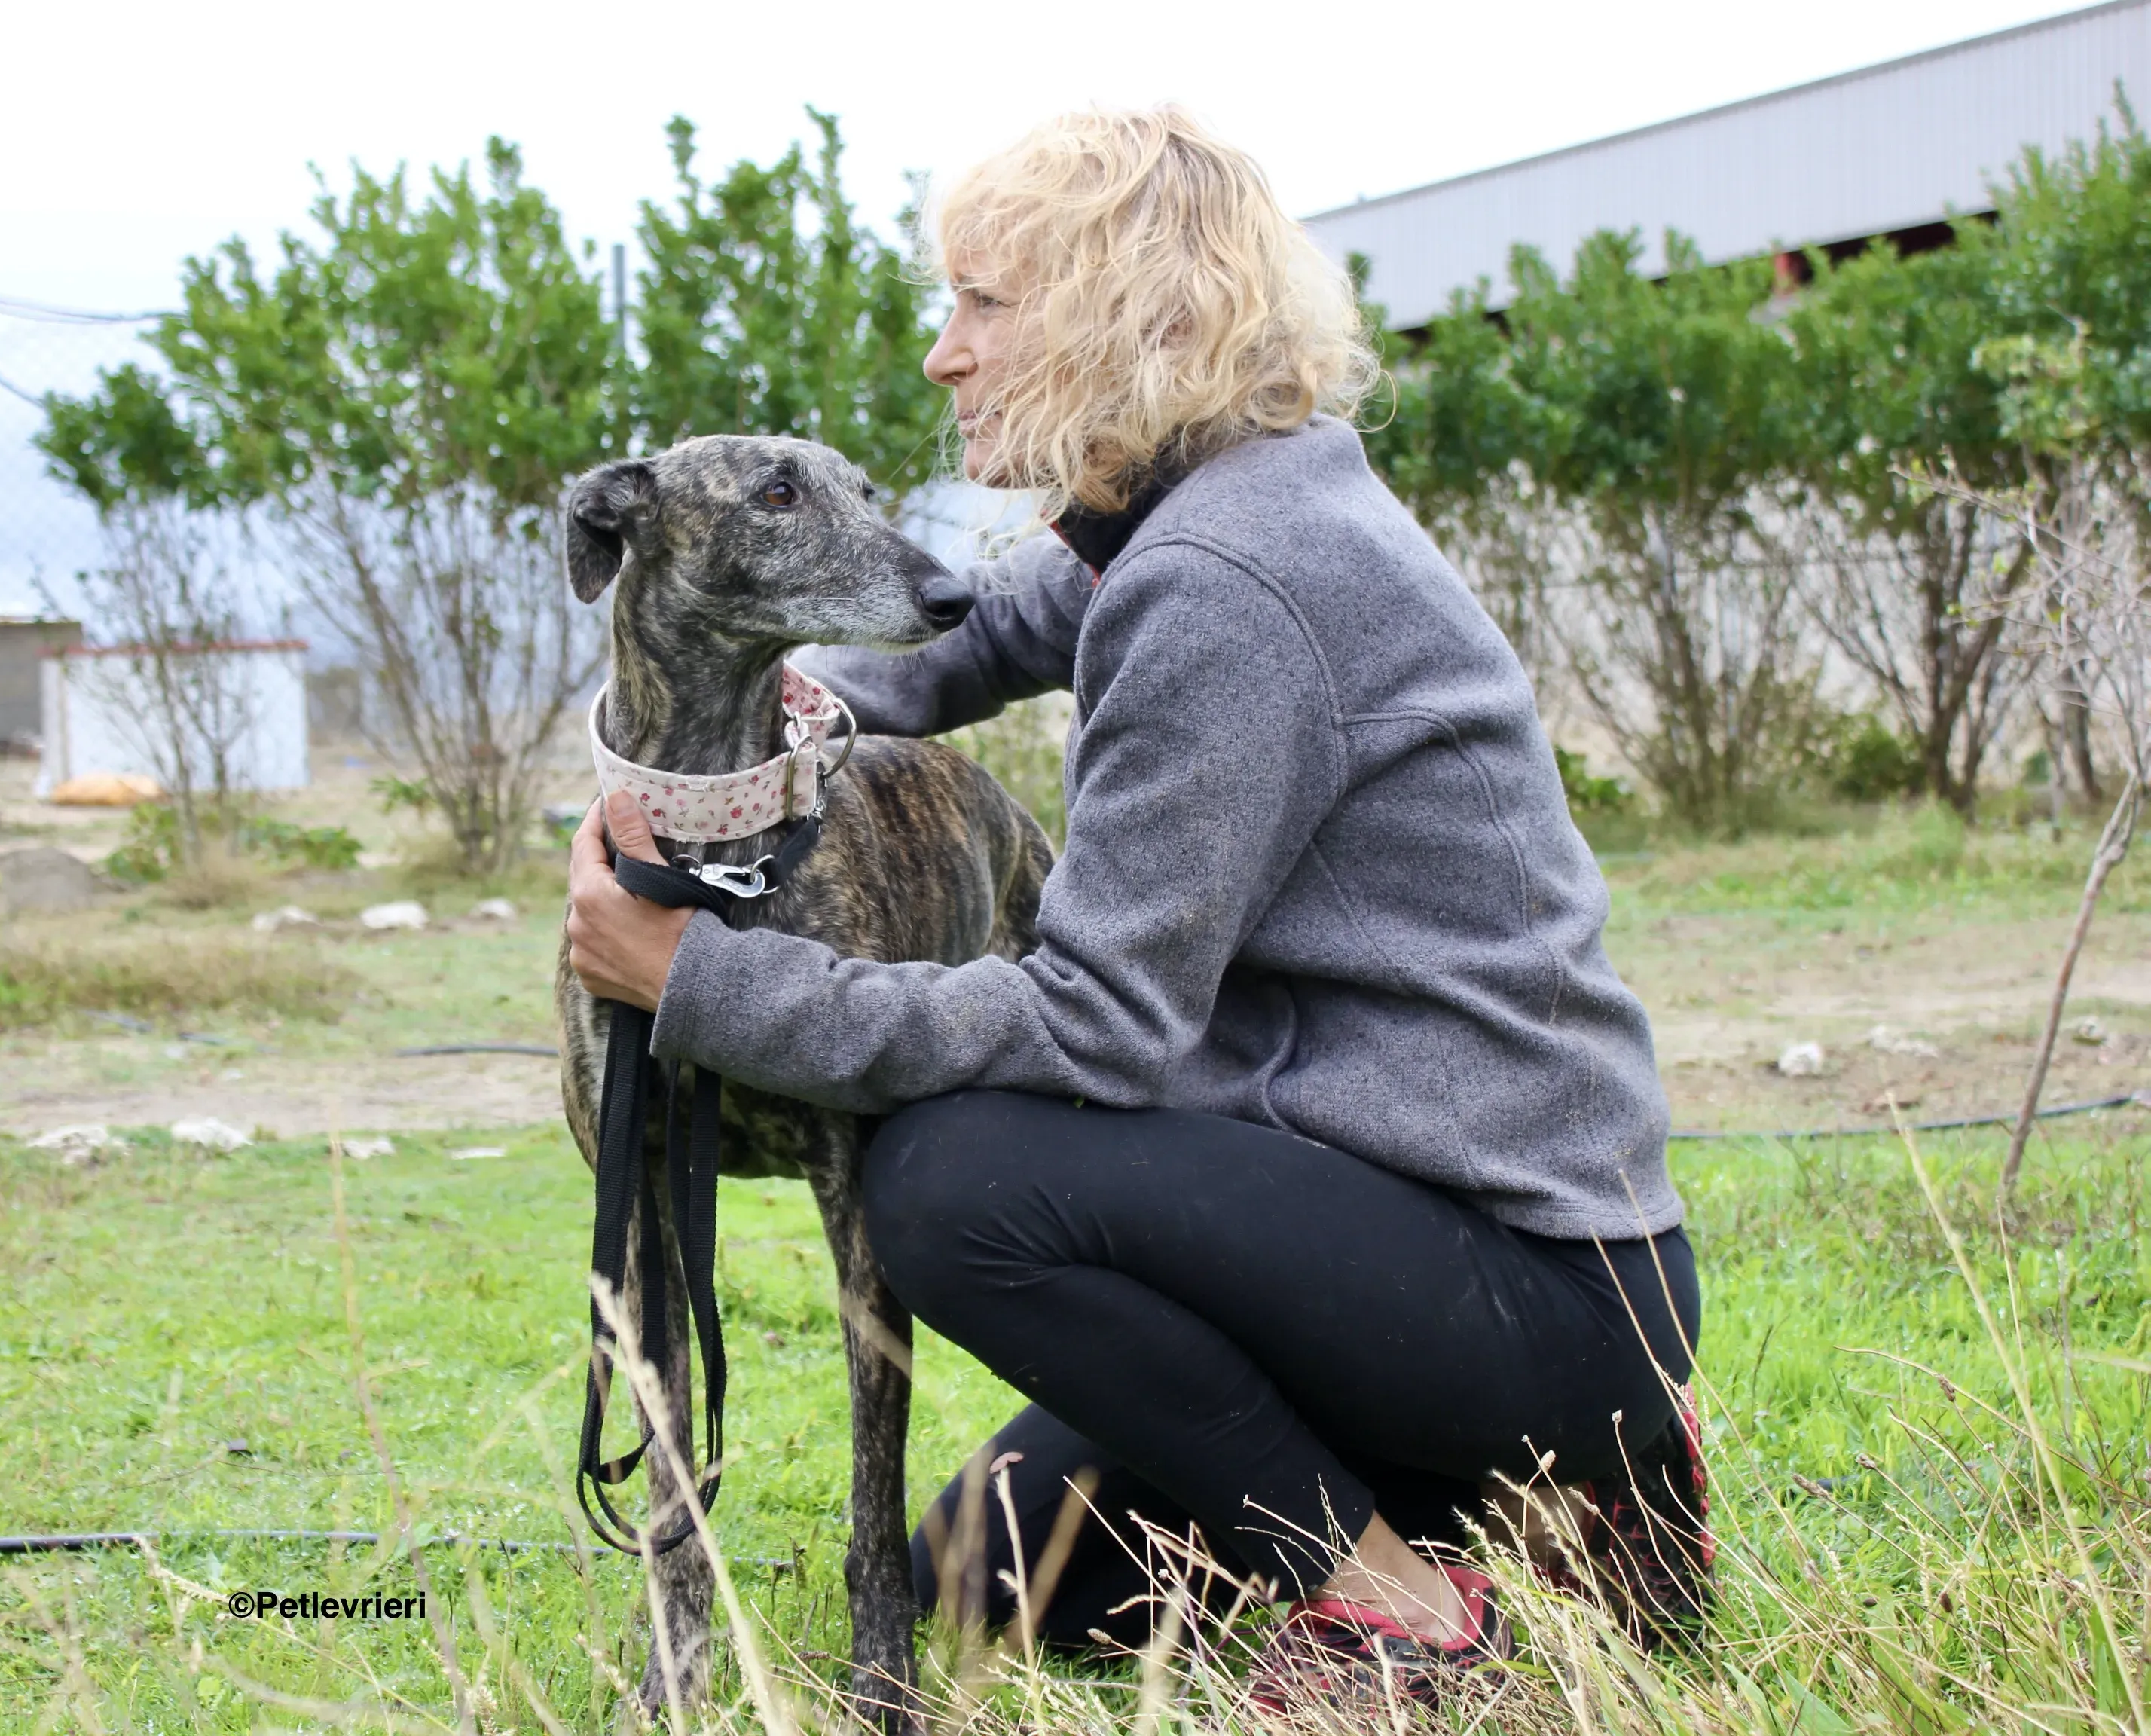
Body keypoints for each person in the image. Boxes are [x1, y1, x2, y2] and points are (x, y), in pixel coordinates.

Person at [565, 105, 1707, 1711]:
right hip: (1360, 1221)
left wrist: (696, 977)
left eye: (981, 303)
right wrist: (714, 752)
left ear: (1132, 314)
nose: (942, 356)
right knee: (981, 1578)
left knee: (954, 1180)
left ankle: (1412, 1606)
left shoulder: (1229, 579)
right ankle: (1532, 1514)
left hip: (1522, 1281)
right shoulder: (1187, 513)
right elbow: (953, 647)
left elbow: (1092, 1025)